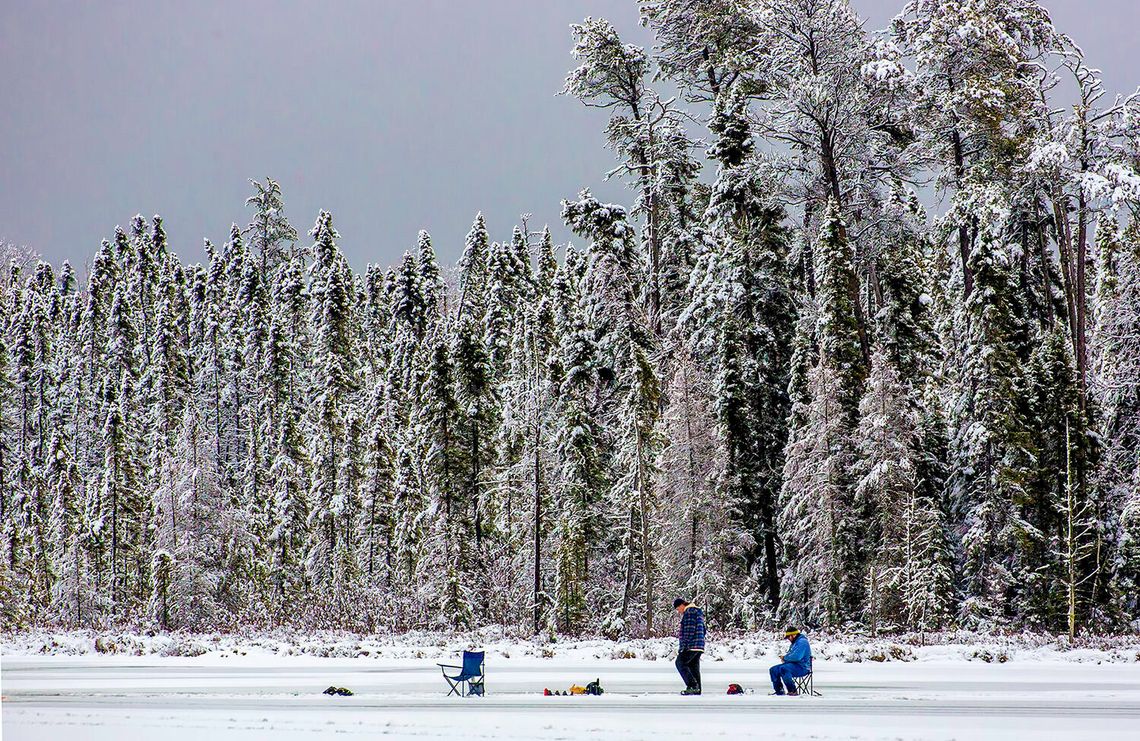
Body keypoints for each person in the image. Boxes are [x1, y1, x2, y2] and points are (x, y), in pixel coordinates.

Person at [673, 598, 705, 695]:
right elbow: (704, 629)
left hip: (691, 645)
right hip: (699, 645)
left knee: (680, 663)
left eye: (678, 609)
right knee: (693, 667)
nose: (679, 611)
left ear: (682, 605)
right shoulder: (697, 613)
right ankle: (697, 689)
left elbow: (689, 630)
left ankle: (692, 686)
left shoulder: (689, 612)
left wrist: (684, 646)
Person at [769, 627, 811, 696]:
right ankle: (779, 691)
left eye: (789, 637)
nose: (788, 639)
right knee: (773, 670)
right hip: (793, 665)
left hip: (802, 667)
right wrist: (785, 659)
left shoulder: (802, 642)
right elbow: (791, 655)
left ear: (793, 635)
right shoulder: (795, 643)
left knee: (784, 668)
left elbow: (797, 657)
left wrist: (785, 658)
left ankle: (792, 690)